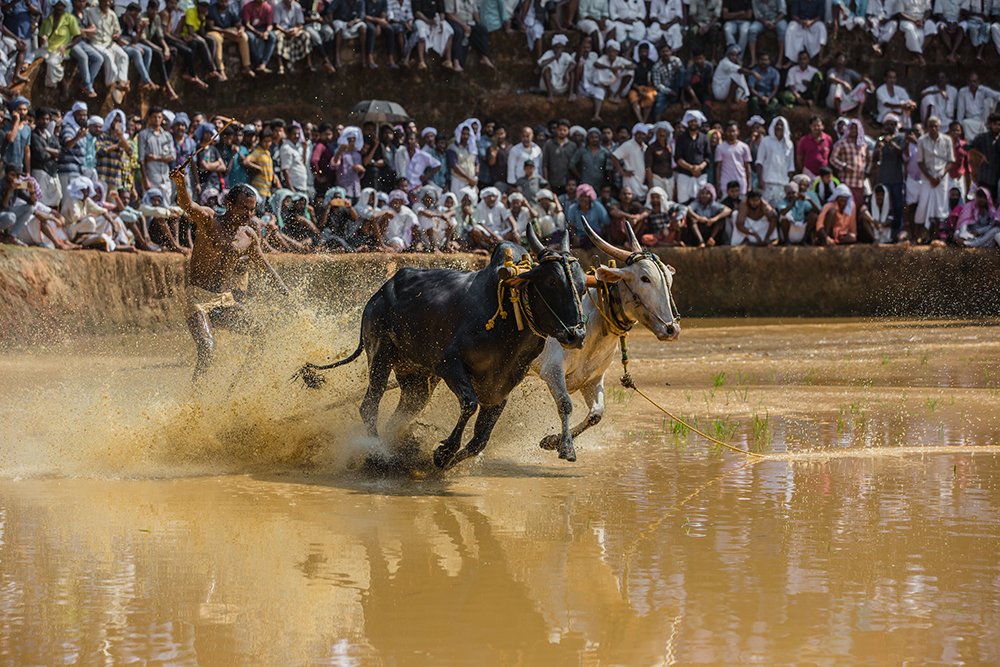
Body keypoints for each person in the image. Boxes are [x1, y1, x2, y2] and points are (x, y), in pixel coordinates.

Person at [167, 166, 287, 380]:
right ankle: (194, 403)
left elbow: (264, 267)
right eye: (243, 208)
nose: (248, 214)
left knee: (260, 333)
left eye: (252, 209)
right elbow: (187, 204)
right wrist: (179, 183)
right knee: (208, 349)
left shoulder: (249, 235)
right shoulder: (209, 220)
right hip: (198, 300)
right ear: (229, 204)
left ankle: (237, 389)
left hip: (224, 301)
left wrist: (286, 293)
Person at [915, 116, 955, 241]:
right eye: (930, 126)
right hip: (927, 178)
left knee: (940, 208)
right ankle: (920, 236)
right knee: (923, 206)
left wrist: (940, 176)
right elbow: (920, 162)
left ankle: (937, 237)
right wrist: (931, 178)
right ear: (927, 127)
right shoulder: (921, 140)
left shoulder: (947, 140)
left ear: (939, 127)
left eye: (935, 126)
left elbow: (950, 161)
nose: (933, 128)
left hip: (941, 179)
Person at [829, 119, 869, 211]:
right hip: (847, 181)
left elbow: (868, 160)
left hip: (859, 183)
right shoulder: (841, 143)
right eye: (851, 128)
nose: (854, 131)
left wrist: (867, 171)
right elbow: (832, 159)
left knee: (858, 207)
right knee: (847, 208)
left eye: (856, 128)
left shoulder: (863, 145)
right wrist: (844, 166)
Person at [675, 110, 712, 204]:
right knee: (683, 200)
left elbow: (707, 157)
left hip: (700, 174)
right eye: (691, 121)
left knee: (700, 200)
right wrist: (691, 168)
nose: (693, 123)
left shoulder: (704, 138)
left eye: (695, 121)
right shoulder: (681, 138)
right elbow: (678, 158)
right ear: (687, 122)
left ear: (698, 122)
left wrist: (699, 167)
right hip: (684, 174)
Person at [755, 116, 794, 203]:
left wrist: (788, 183)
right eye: (777, 125)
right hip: (768, 182)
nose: (779, 127)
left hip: (783, 183)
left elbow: (790, 166)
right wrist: (760, 180)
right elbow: (759, 162)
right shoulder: (766, 141)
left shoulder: (789, 144)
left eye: (781, 125)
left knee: (780, 210)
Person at [956, 72, 1000, 139]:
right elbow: (960, 110)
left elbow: (997, 95)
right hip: (969, 120)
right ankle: (971, 143)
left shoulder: (983, 90)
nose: (972, 83)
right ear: (967, 82)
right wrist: (959, 124)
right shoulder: (963, 92)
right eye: (970, 81)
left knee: (989, 99)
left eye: (974, 81)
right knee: (964, 122)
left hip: (983, 119)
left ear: (978, 82)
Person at [715, 120, 753, 195]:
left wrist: (749, 185)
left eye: (733, 131)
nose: (731, 133)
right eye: (729, 131)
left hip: (741, 181)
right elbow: (718, 167)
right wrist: (718, 185)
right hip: (725, 181)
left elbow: (747, 166)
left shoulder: (744, 147)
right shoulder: (720, 147)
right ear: (725, 132)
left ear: (738, 132)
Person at [539, 34, 576, 102]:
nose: (558, 49)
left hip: (563, 82)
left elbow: (573, 64)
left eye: (560, 47)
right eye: (556, 47)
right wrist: (554, 57)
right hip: (551, 84)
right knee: (546, 70)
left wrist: (566, 72)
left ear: (563, 48)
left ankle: (570, 94)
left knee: (571, 72)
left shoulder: (565, 55)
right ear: (553, 47)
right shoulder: (548, 53)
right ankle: (550, 95)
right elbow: (541, 64)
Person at [645, 121, 674, 199]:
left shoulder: (671, 147)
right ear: (656, 133)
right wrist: (650, 183)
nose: (662, 133)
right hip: (657, 178)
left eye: (664, 131)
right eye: (659, 131)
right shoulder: (651, 147)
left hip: (670, 179)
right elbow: (648, 167)